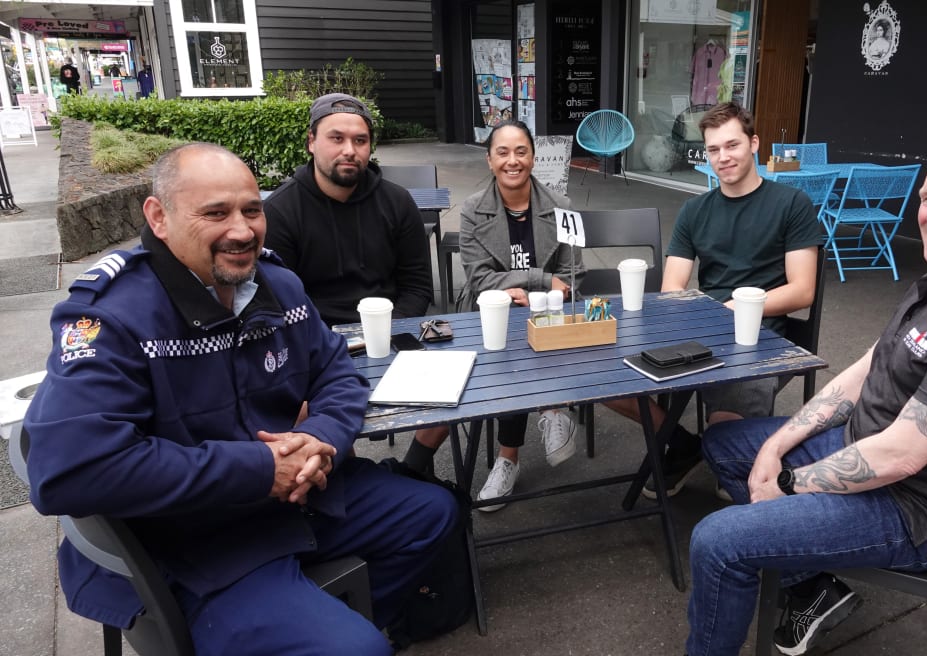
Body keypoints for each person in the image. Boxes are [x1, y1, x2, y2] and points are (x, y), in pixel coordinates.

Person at [23, 143, 458, 656]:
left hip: (291, 503)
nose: (242, 230)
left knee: (434, 513)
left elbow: (338, 375)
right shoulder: (113, 318)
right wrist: (259, 469)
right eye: (215, 213)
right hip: (196, 544)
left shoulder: (279, 285)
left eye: (253, 210)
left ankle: (333, 623)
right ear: (158, 217)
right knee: (356, 649)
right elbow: (68, 472)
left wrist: (320, 440)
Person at [686, 144, 927, 656]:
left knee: (719, 541)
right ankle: (812, 588)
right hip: (867, 447)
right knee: (727, 443)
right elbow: (865, 369)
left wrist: (787, 485)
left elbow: (903, 454)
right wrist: (777, 445)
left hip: (915, 508)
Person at [606, 101, 825, 499]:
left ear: (754, 143)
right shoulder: (695, 210)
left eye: (732, 145)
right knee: (607, 375)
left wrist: (729, 309)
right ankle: (684, 444)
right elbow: (673, 285)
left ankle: (731, 473)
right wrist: (698, 315)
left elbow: (801, 290)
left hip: (761, 336)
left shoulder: (791, 204)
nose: (723, 157)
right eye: (713, 149)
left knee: (730, 455)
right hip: (700, 329)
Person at [401, 120, 585, 511]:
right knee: (508, 340)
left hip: (545, 319)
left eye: (521, 151)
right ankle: (551, 408)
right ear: (489, 159)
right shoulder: (472, 210)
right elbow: (481, 280)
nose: (512, 160)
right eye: (503, 152)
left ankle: (509, 457)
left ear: (533, 158)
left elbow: (571, 279)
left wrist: (534, 290)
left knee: (524, 342)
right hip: (487, 319)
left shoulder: (563, 209)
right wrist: (539, 277)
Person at [264, 93, 433, 325]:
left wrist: (390, 331)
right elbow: (279, 300)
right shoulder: (280, 211)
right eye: (336, 138)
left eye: (360, 140)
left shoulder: (398, 202)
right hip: (314, 341)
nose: (349, 150)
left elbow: (417, 286)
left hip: (388, 331)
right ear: (311, 141)